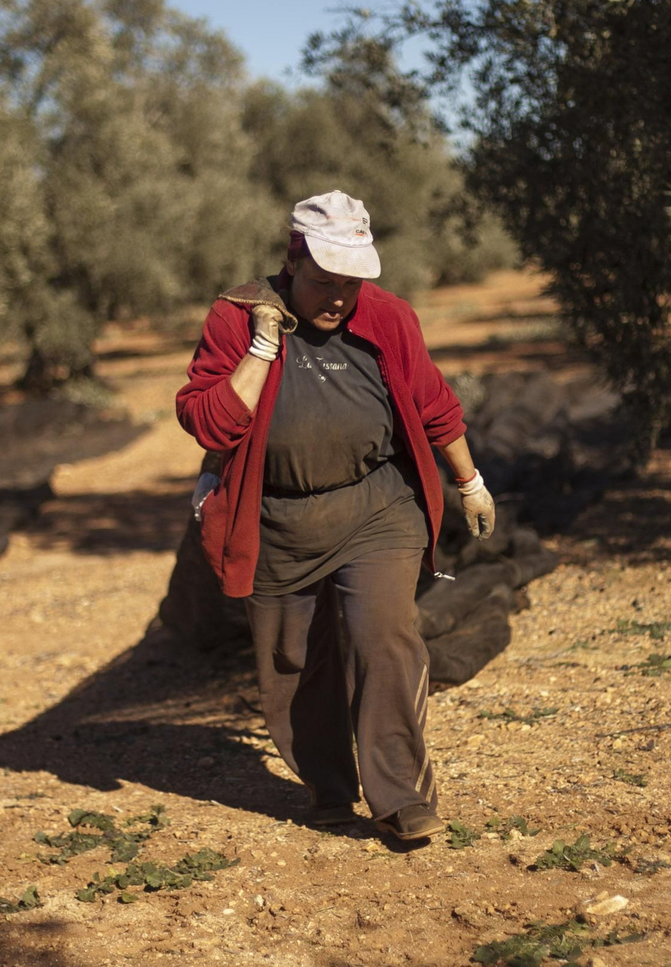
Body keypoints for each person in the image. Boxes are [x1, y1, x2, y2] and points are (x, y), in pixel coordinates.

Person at [175, 190, 496, 841]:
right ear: (292, 263)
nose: (338, 298)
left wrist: (470, 481)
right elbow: (207, 420)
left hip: (376, 507)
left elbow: (435, 404)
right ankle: (326, 784)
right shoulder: (237, 319)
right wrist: (261, 350)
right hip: (275, 521)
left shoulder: (389, 318)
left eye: (350, 283)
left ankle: (401, 797)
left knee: (385, 638)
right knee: (293, 665)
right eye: (325, 281)